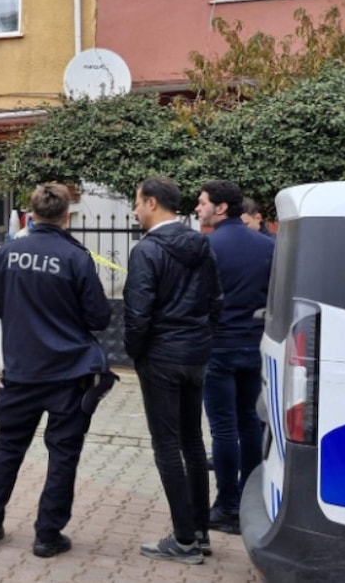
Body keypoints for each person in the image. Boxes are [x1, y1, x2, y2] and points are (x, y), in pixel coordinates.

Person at [0, 182, 113, 558]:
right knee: (63, 453)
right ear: (67, 215)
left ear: (31, 214)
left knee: (7, 447)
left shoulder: (7, 253)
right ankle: (47, 535)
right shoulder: (76, 257)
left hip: (20, 370)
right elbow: (99, 317)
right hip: (69, 374)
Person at [124, 177, 223, 565]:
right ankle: (199, 531)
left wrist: (137, 354)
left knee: (167, 446)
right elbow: (216, 301)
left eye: (137, 202)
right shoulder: (201, 245)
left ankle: (184, 540)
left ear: (152, 202)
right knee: (192, 442)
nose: (135, 210)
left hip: (162, 357)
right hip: (195, 354)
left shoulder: (147, 251)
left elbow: (137, 314)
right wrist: (202, 339)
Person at [195, 181, 274, 535]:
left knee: (224, 428)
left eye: (202, 202)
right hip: (255, 345)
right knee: (250, 424)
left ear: (221, 208)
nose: (198, 208)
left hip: (218, 347)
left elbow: (196, 300)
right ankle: (250, 501)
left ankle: (227, 505)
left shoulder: (207, 247)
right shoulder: (268, 246)